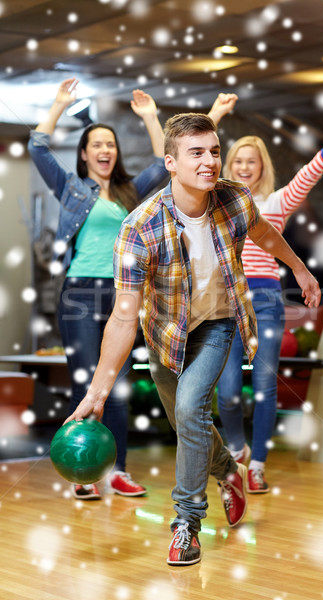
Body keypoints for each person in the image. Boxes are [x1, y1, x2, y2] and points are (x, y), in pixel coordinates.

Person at [66, 111, 320, 565]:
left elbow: (264, 233)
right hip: (165, 334)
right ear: (170, 162)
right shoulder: (139, 228)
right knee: (188, 422)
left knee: (189, 409)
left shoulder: (233, 199)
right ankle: (228, 471)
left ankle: (186, 523)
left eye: (214, 151)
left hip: (219, 323)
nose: (209, 162)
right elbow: (123, 319)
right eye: (196, 153)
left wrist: (299, 269)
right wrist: (98, 391)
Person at [209, 94, 323, 493]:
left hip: (265, 299)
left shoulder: (276, 202)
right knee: (227, 392)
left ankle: (259, 465)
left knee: (264, 388)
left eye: (252, 160)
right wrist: (213, 117)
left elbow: (313, 170)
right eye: (238, 161)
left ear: (262, 167)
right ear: (228, 167)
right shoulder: (217, 204)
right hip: (226, 301)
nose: (245, 167)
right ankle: (238, 449)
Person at [28, 77, 168, 501]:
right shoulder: (70, 188)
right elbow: (37, 148)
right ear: (85, 154)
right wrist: (58, 105)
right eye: (97, 145)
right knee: (86, 383)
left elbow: (164, 164)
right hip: (78, 293)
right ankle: (83, 472)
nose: (105, 150)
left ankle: (117, 470)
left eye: (110, 144)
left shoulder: (129, 192)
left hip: (123, 295)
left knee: (119, 385)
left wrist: (150, 117)